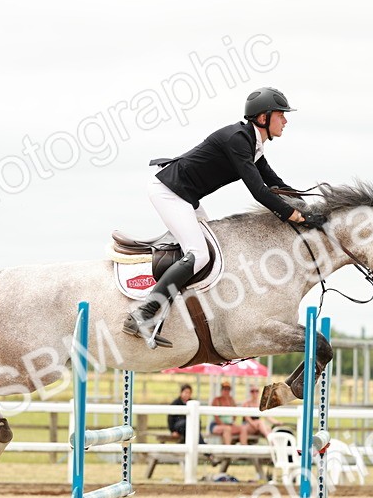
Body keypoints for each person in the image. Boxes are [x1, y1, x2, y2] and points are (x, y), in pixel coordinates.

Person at [123, 86, 308, 348]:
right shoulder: (238, 141)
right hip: (169, 192)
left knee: (213, 250)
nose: (285, 121)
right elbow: (259, 191)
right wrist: (293, 215)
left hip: (184, 196)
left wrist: (308, 208)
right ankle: (143, 314)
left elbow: (275, 183)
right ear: (263, 117)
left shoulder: (252, 145)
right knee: (199, 255)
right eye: (281, 115)